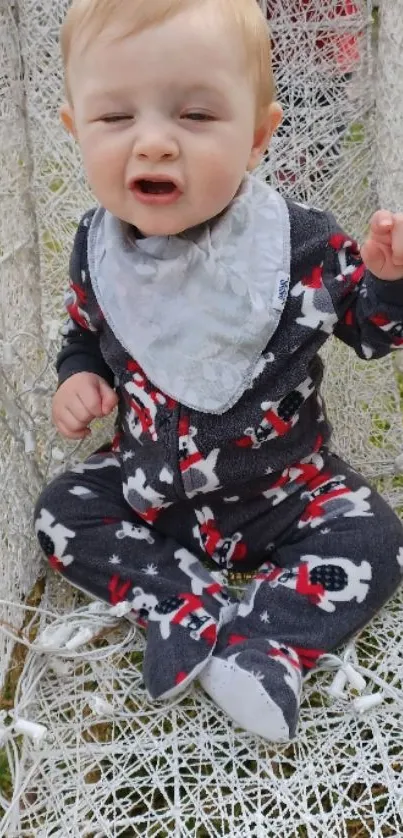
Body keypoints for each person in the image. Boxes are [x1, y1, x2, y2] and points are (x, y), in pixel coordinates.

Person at [34, 0, 403, 744]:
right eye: (115, 119)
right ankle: (180, 602)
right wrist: (78, 377)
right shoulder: (98, 247)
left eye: (196, 115)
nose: (154, 144)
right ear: (76, 130)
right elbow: (83, 332)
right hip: (150, 494)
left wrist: (386, 281)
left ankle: (264, 644)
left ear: (259, 136)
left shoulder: (294, 244)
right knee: (61, 509)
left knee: (375, 539)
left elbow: (370, 330)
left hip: (287, 492)